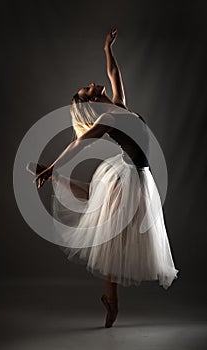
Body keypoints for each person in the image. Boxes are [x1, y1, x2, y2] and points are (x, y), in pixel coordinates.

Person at [33, 28, 179, 328]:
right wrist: (52, 166)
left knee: (113, 230)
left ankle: (110, 301)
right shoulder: (106, 118)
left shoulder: (119, 104)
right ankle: (112, 301)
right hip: (127, 176)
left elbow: (113, 72)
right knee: (110, 235)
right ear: (90, 102)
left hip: (139, 174)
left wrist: (106, 48)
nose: (90, 84)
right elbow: (79, 143)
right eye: (86, 89)